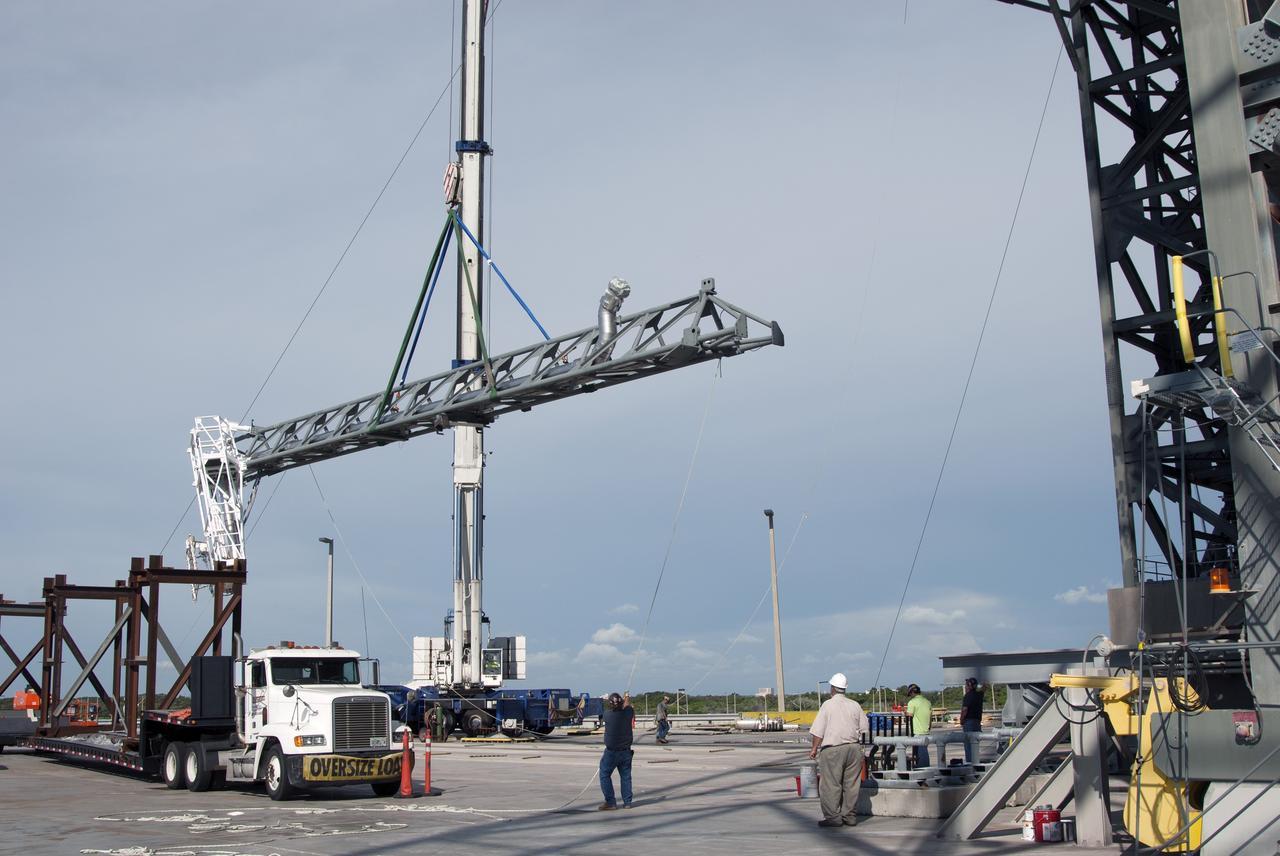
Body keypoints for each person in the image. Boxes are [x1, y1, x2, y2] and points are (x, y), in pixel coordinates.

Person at [808, 672, 870, 828]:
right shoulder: (855, 705)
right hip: (854, 749)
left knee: (831, 784)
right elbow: (864, 728)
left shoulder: (827, 705)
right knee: (851, 784)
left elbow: (818, 731)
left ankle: (833, 818)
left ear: (833, 688)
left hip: (833, 749)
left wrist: (814, 748)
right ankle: (849, 816)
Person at [599, 691, 634, 810]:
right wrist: (627, 697)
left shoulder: (607, 714)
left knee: (604, 775)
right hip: (626, 752)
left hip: (611, 752)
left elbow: (624, 706)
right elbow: (627, 706)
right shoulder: (628, 713)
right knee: (626, 777)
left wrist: (625, 699)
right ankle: (627, 802)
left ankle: (610, 802)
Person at [904, 683, 932, 768]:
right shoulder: (927, 702)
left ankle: (922, 769)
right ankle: (921, 767)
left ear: (912, 692)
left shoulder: (912, 702)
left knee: (921, 752)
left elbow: (909, 715)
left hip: (917, 730)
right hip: (926, 729)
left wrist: (905, 712)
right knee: (922, 751)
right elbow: (930, 717)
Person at [960, 677, 984, 763]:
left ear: (969, 686)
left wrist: (961, 720)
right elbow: (984, 688)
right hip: (977, 722)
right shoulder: (979, 695)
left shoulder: (968, 696)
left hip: (969, 722)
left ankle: (970, 763)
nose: (965, 687)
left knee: (968, 744)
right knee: (975, 743)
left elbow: (965, 709)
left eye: (966, 685)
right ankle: (975, 761)